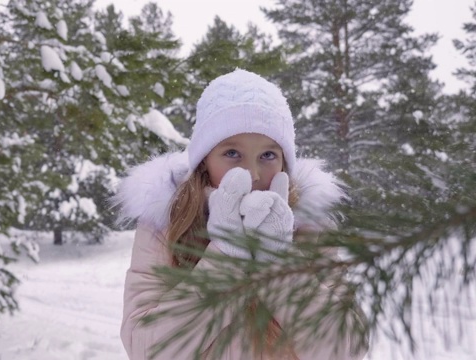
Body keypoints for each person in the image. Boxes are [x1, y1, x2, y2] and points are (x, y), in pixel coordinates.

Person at [113, 69, 368, 359]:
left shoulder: (309, 228)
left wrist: (279, 264)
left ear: (285, 163)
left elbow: (347, 349)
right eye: (232, 153)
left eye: (268, 155)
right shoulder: (165, 225)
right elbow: (147, 349)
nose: (253, 173)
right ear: (204, 161)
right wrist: (225, 257)